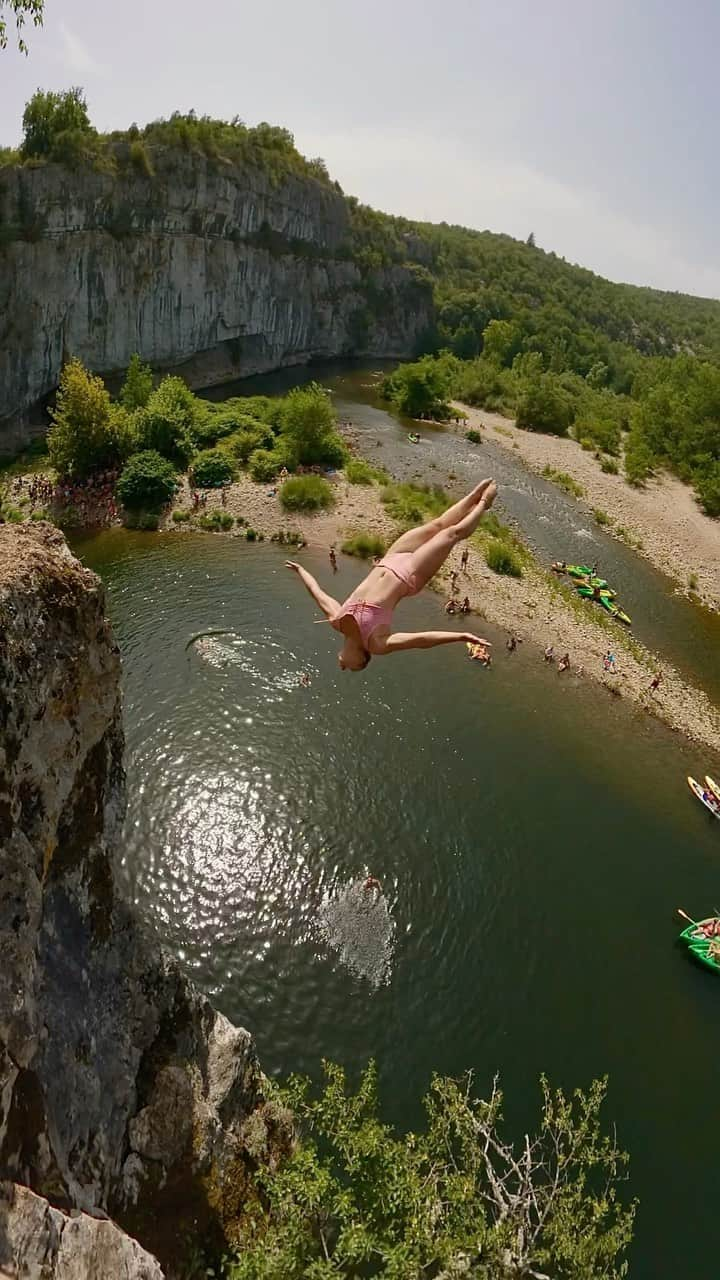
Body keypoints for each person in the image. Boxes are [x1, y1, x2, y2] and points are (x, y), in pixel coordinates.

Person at [286, 478, 497, 671]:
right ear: (362, 658)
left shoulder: (337, 620)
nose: (344, 668)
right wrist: (460, 636)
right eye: (352, 669)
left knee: (437, 524)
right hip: (410, 574)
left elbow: (317, 592)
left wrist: (301, 570)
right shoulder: (376, 643)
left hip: (391, 558)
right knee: (451, 534)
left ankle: (475, 495)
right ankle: (483, 504)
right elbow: (421, 640)